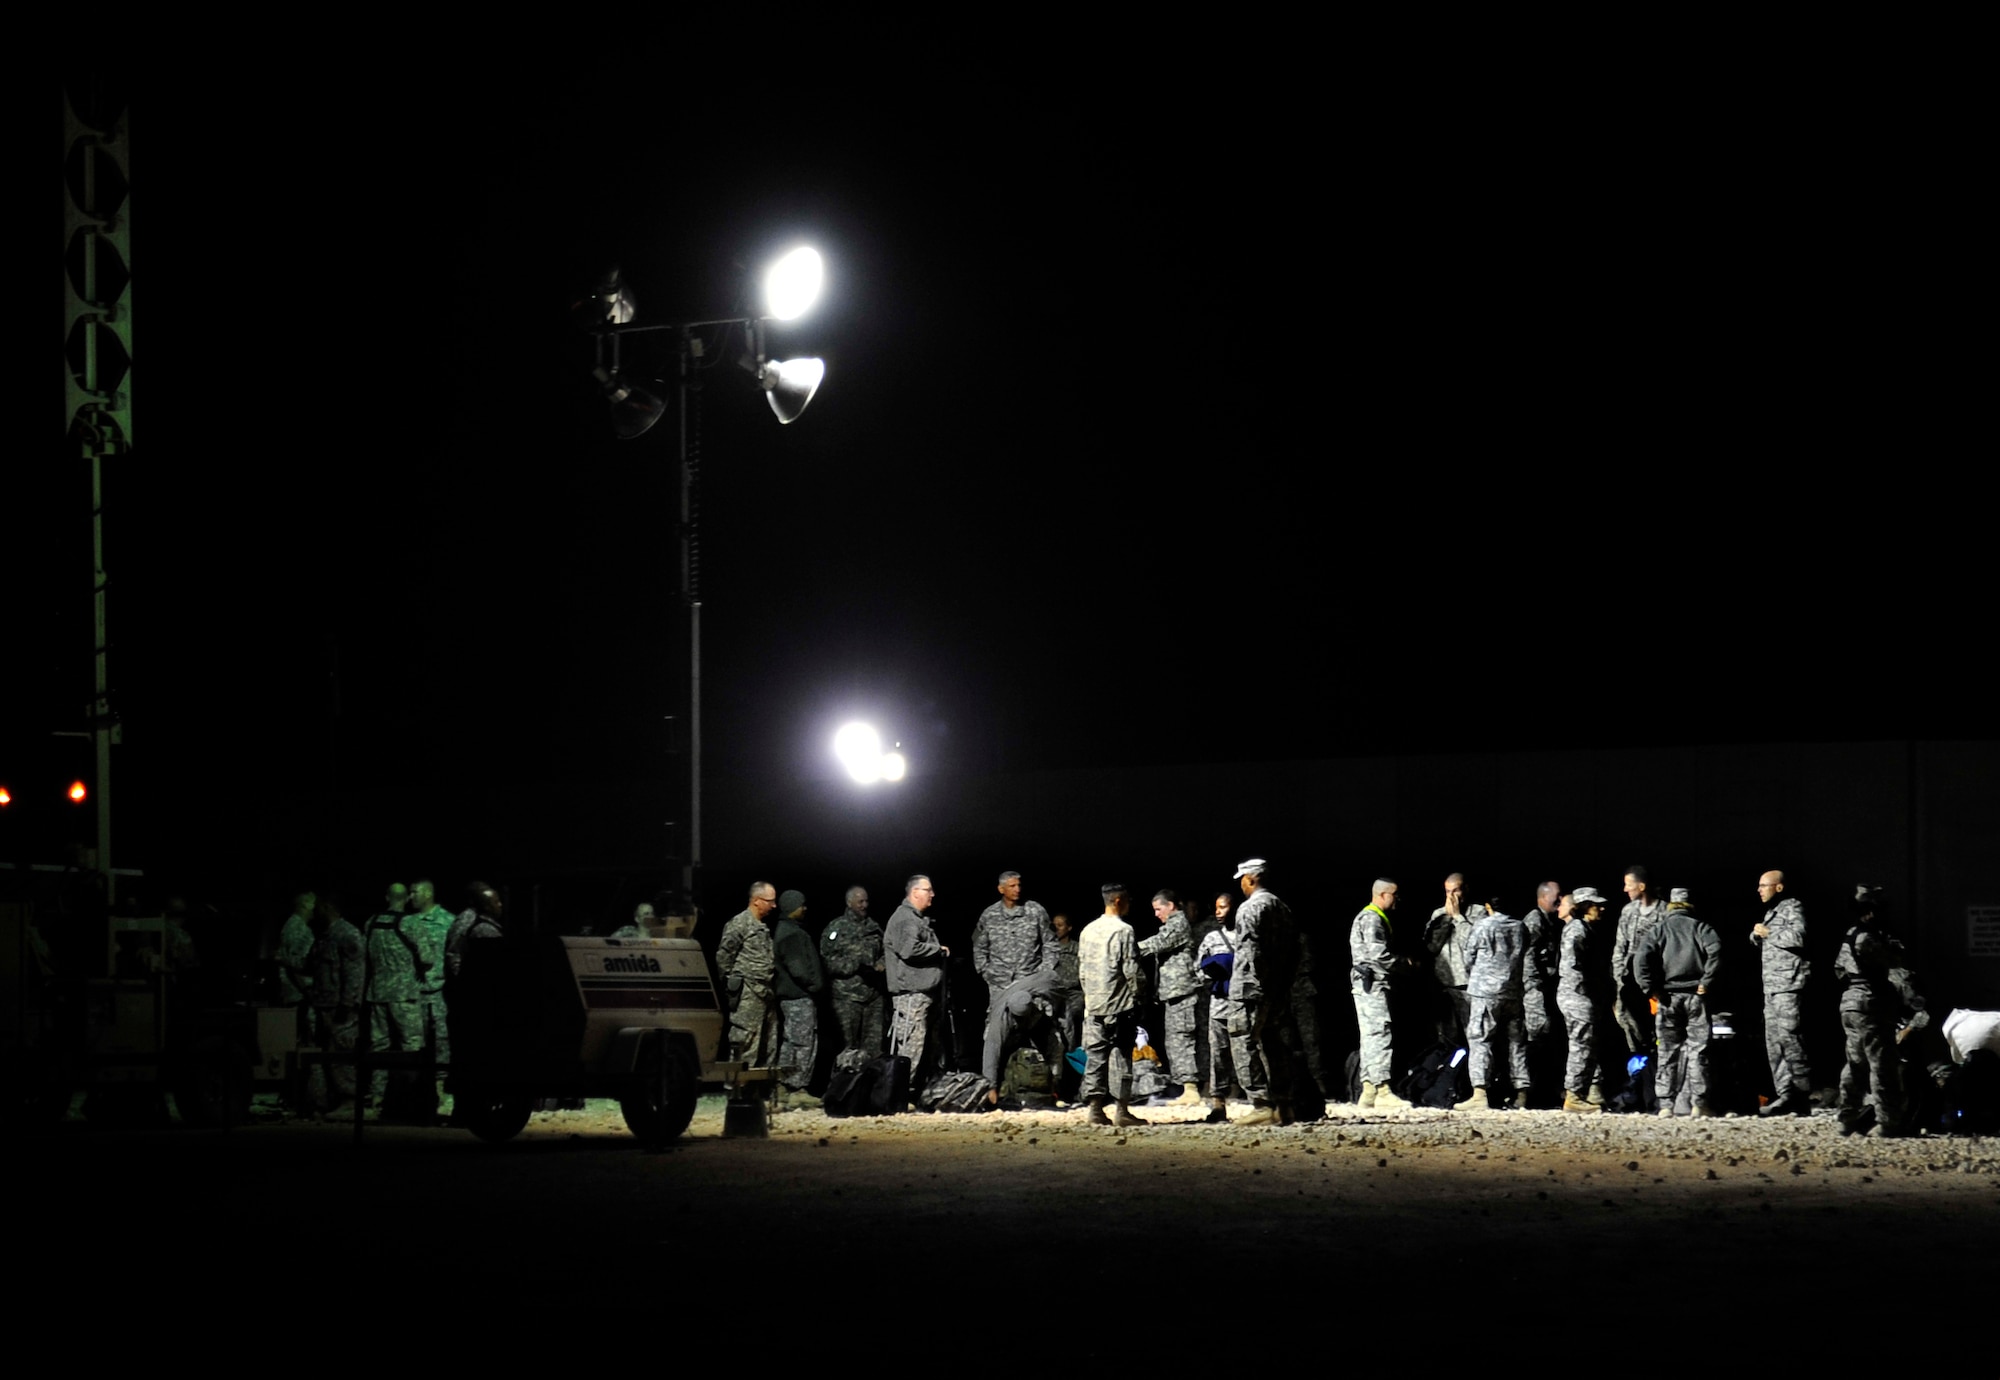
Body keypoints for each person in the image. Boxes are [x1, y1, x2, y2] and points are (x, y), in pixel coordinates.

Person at [1635, 890, 1723, 1117]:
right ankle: (1699, 1104)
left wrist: (1650, 988)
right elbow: (1716, 951)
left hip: (1668, 998)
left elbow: (1640, 958)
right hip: (1696, 997)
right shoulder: (1701, 928)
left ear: (1671, 906)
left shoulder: (1659, 929)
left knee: (1666, 1051)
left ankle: (1666, 1105)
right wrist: (1707, 981)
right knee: (1698, 1050)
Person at [1834, 885, 1912, 1137]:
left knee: (1855, 1063)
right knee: (1882, 1064)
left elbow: (1839, 970)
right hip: (1870, 1004)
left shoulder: (1849, 935)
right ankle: (1887, 1122)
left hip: (1851, 1003)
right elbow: (1894, 960)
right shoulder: (1867, 937)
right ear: (1870, 911)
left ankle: (1847, 1117)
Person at [1231, 858, 1297, 1125]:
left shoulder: (1250, 909)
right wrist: (1281, 984)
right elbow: (1295, 952)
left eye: (1242, 880)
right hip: (1277, 988)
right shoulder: (1283, 908)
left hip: (1251, 988)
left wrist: (1250, 983)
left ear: (1251, 878)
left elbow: (1250, 953)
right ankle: (1283, 1105)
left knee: (1242, 1040)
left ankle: (1260, 1103)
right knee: (1273, 1045)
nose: (1241, 886)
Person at [1080, 883, 1147, 1127]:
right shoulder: (1124, 931)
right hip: (1119, 1004)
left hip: (1094, 1004)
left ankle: (1095, 1110)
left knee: (1095, 1058)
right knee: (1121, 1055)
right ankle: (1122, 1110)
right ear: (1118, 901)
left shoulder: (1088, 930)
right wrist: (1140, 996)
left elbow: (1083, 970)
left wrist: (1089, 998)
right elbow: (1131, 969)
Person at [363, 883, 430, 1115]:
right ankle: (409, 1101)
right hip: (404, 994)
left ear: (386, 897)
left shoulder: (370, 922)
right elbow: (428, 958)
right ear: (407, 898)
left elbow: (365, 957)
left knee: (379, 1048)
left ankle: (377, 1102)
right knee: (411, 1047)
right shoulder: (411, 923)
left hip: (377, 993)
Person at [1460, 901, 1532, 1111]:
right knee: (1516, 1043)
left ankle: (1480, 1092)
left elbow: (1469, 957)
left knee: (1480, 1039)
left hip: (1485, 992)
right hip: (1513, 992)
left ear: (1489, 905)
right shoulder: (1520, 927)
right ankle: (1522, 1093)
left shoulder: (1483, 926)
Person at [1753, 869, 1813, 1116]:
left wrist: (1769, 933)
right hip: (1772, 987)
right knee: (1774, 1043)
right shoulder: (1771, 912)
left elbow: (1799, 936)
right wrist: (1757, 935)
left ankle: (1801, 1095)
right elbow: (1765, 938)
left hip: (1788, 985)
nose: (1759, 890)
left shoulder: (1793, 907)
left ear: (1778, 887)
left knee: (1791, 1039)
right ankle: (1785, 1094)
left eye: (1764, 885)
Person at [1139, 889, 1206, 1106]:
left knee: (1182, 1039)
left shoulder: (1178, 924)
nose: (1156, 914)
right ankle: (1187, 1088)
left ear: (1171, 906)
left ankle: (1191, 1088)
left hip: (1182, 992)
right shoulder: (1172, 925)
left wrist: (1126, 947)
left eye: (1159, 909)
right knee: (1175, 1039)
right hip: (1174, 993)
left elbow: (1156, 944)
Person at [1351, 878, 1413, 1110]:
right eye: (1395, 895)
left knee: (1370, 1037)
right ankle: (1382, 1090)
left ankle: (1368, 1090)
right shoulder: (1373, 918)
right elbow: (1379, 956)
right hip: (1373, 984)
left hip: (1366, 985)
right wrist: (1405, 964)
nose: (1398, 899)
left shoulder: (1369, 917)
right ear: (1383, 895)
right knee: (1380, 1034)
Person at [885, 875, 949, 1089]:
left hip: (920, 993)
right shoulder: (905, 919)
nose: (932, 894)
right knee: (910, 1046)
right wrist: (937, 950)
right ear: (915, 892)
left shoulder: (915, 918)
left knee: (922, 1044)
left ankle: (911, 1090)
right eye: (928, 890)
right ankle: (899, 1093)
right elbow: (909, 949)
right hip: (910, 994)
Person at [971, 871, 1057, 1021]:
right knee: (998, 1025)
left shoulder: (1035, 911)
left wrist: (1043, 972)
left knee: (1036, 1022)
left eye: (1019, 885)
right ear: (1001, 889)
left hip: (1030, 980)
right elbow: (979, 947)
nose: (1017, 889)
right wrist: (986, 971)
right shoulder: (989, 915)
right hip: (1000, 983)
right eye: (1012, 886)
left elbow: (1051, 943)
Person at [306, 896, 365, 1114]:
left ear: (329, 907)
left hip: (339, 1008)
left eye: (317, 908)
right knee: (321, 1057)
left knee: (341, 1053)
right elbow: (311, 965)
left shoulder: (347, 934)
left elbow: (354, 973)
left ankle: (349, 1100)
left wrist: (348, 1003)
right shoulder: (323, 936)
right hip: (321, 1004)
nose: (313, 912)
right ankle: (322, 1101)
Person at [1557, 888, 1613, 1113]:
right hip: (1577, 996)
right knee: (1581, 1045)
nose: (1601, 908)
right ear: (1583, 906)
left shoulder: (1585, 929)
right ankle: (1574, 1096)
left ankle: (1580, 1093)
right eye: (1595, 905)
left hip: (1580, 995)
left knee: (1586, 1045)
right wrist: (1586, 991)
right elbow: (1571, 966)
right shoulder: (1578, 930)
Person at [771, 890, 826, 1108]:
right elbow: (799, 969)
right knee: (803, 1043)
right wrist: (815, 985)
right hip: (798, 996)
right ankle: (796, 1088)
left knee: (792, 1042)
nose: (804, 909)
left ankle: (785, 1086)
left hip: (793, 996)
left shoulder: (787, 930)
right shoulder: (792, 934)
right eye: (801, 905)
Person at [717, 882, 781, 1067]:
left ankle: (758, 1091)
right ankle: (738, 1090)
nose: (774, 905)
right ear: (757, 901)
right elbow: (723, 956)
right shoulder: (739, 924)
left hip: (765, 992)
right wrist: (732, 984)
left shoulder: (761, 926)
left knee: (768, 1044)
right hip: (748, 993)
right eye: (770, 901)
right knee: (745, 1042)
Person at [820, 886, 886, 1060]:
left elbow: (887, 951)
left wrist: (881, 964)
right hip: (847, 997)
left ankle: (872, 1085)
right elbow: (826, 960)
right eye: (860, 902)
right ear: (849, 903)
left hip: (873, 997)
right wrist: (853, 965)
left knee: (872, 1051)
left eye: (866, 901)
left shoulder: (874, 927)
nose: (864, 905)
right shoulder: (836, 928)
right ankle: (844, 1085)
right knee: (847, 1051)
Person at [406, 879, 455, 1107]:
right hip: (412, 994)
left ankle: (443, 1093)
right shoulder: (407, 922)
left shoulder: (447, 921)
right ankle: (416, 1094)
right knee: (414, 1045)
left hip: (439, 991)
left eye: (414, 892)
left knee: (442, 1043)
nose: (410, 896)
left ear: (427, 893)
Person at [1610, 866, 1668, 1055]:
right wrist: (1619, 978)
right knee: (1627, 1020)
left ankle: (1656, 1062)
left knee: (1659, 1023)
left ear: (1641, 886)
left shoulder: (1664, 912)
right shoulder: (1628, 911)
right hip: (1629, 979)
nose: (1625, 889)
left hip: (1655, 981)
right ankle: (1639, 1061)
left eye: (1629, 885)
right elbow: (1620, 947)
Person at [1198, 896, 1243, 1122]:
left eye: (1223, 907)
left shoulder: (1248, 935)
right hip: (1220, 1004)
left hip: (1243, 1003)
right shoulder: (1211, 938)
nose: (1218, 912)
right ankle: (1218, 1102)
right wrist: (1215, 971)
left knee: (1248, 1052)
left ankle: (1261, 1101)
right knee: (1218, 1053)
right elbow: (1198, 970)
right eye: (1215, 908)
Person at [1424, 873, 1474, 1049]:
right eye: (1447, 891)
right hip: (1445, 984)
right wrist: (1447, 918)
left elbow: (1473, 942)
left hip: (1470, 986)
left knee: (1474, 1036)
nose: (1451, 896)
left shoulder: (1478, 912)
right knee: (1447, 1038)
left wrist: (1459, 917)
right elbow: (1431, 946)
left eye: (1456, 891)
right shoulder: (1438, 914)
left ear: (1465, 890)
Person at [276, 891, 317, 1042]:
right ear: (305, 904)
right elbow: (294, 964)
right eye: (313, 902)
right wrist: (308, 991)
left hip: (298, 995)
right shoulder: (298, 928)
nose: (316, 907)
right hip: (300, 995)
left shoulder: (294, 925)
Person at [1049, 911, 1084, 1051]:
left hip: (1075, 994)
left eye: (1060, 925)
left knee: (1073, 1015)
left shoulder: (1078, 949)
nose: (1056, 928)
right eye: (1054, 925)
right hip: (1055, 994)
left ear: (1069, 928)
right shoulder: (1049, 950)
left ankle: (1073, 1052)